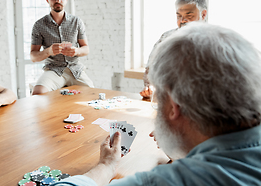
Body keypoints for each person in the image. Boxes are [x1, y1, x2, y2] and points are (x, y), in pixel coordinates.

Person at [53, 23, 261, 185]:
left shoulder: (158, 182)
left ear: (173, 105)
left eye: (157, 95)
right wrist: (185, 148)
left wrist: (106, 166)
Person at [140, 0, 208, 99]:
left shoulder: (215, 42)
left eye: (189, 15)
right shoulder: (166, 38)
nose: (182, 21)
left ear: (203, 14)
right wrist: (151, 86)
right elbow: (151, 67)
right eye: (179, 16)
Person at [30, 0, 94, 95]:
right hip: (53, 70)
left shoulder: (77, 22)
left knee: (93, 95)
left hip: (76, 70)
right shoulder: (39, 25)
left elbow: (86, 49)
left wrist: (76, 51)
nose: (58, 0)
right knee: (37, 93)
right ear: (47, 0)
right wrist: (48, 51)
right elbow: (33, 56)